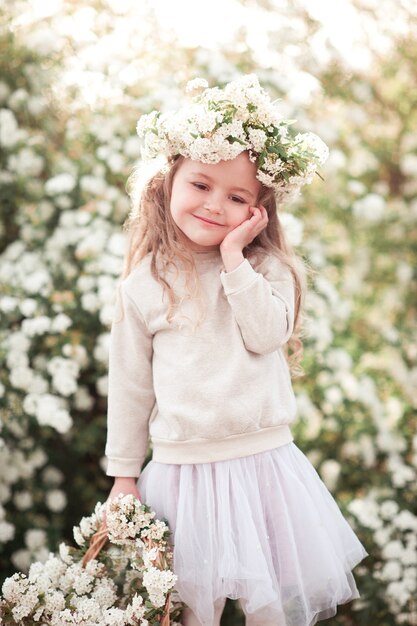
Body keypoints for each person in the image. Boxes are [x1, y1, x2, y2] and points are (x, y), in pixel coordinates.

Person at [104, 74, 369, 626]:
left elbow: (266, 334)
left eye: (236, 197)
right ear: (167, 180)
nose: (213, 205)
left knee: (269, 610)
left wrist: (233, 259)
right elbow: (130, 387)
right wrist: (124, 475)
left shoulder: (266, 270)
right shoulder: (144, 285)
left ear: (257, 211)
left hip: (262, 465)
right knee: (188, 611)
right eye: (200, 185)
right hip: (183, 472)